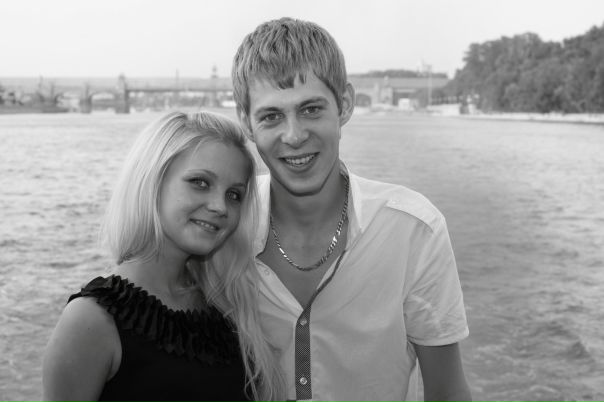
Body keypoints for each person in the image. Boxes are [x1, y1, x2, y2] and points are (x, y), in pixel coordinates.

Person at [232, 17, 472, 401]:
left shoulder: (414, 231)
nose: (294, 135)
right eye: (271, 116)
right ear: (246, 122)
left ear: (344, 105)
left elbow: (447, 392)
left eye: (311, 109)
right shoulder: (226, 228)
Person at [42, 111, 285, 402]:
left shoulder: (229, 307)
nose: (220, 207)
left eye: (234, 194)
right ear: (152, 181)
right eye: (200, 182)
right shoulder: (90, 322)